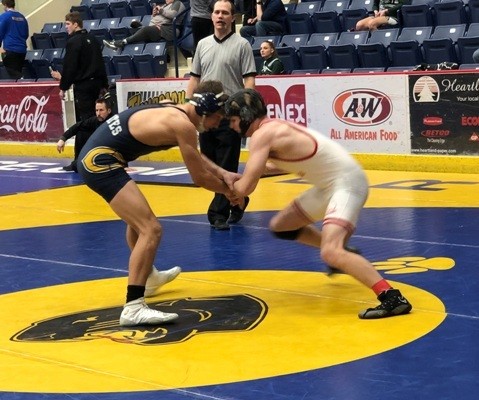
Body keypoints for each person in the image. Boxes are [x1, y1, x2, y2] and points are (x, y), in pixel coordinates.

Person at [222, 89, 413, 319]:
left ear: (245, 115)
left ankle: (392, 297)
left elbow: (246, 187)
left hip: (346, 185)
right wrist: (239, 181)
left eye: (233, 120)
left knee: (330, 252)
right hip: (331, 186)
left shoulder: (262, 135)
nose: (232, 126)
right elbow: (270, 167)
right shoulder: (272, 128)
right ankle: (344, 253)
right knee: (281, 226)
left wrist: (227, 187)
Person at [77, 80, 238, 326]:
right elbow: (199, 178)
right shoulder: (183, 125)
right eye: (218, 118)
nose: (218, 124)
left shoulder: (174, 111)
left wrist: (224, 174)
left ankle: (149, 277)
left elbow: (194, 155)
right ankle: (133, 307)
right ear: (205, 111)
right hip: (99, 163)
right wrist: (230, 192)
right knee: (150, 229)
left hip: (97, 158)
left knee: (137, 222)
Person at [186, 0, 257, 231]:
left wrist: (246, 107)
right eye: (216, 12)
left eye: (225, 13)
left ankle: (217, 214)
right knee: (210, 165)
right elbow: (194, 78)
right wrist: (189, 105)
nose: (220, 16)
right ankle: (239, 200)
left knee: (226, 163)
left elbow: (249, 79)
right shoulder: (203, 44)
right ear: (211, 16)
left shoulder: (242, 44)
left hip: (230, 114)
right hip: (205, 115)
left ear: (232, 18)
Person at [54, 11, 108, 122]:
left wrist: (63, 88)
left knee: (87, 119)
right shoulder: (93, 39)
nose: (66, 27)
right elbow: (100, 63)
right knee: (98, 117)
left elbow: (70, 66)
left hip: (83, 87)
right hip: (97, 84)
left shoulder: (73, 42)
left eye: (68, 24)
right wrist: (104, 84)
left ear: (75, 24)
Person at [57, 97, 113, 172]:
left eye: (101, 110)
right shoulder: (95, 120)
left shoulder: (113, 123)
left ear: (109, 111)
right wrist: (63, 138)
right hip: (97, 150)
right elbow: (78, 126)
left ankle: (78, 164)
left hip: (108, 153)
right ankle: (77, 161)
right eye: (96, 110)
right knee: (81, 132)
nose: (98, 113)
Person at [103, 0, 186, 50]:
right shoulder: (165, 5)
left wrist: (160, 11)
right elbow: (157, 18)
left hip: (168, 30)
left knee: (145, 30)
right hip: (156, 28)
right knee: (135, 30)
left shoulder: (177, 3)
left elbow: (173, 15)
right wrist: (154, 14)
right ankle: (140, 28)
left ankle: (121, 42)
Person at [0, 0, 28, 80]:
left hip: (10, 49)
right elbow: (26, 34)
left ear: (5, 5)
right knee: (17, 71)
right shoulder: (22, 17)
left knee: (11, 76)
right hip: (22, 50)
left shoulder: (4, 16)